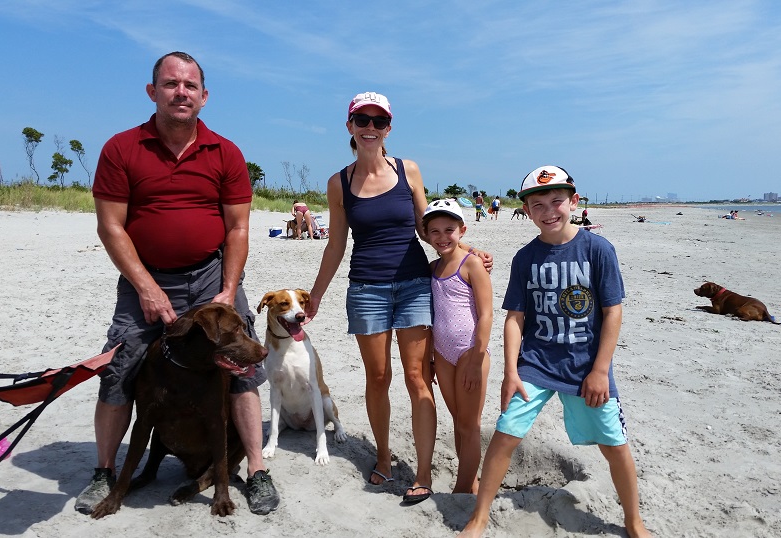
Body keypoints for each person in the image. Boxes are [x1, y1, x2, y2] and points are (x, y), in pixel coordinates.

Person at [75, 51, 279, 516]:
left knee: (243, 369)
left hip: (212, 273)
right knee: (120, 367)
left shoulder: (225, 151)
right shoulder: (122, 148)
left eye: (190, 85)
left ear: (204, 97)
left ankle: (256, 469)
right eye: (170, 84)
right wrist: (146, 287)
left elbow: (238, 229)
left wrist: (228, 290)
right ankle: (104, 470)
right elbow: (111, 227)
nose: (180, 92)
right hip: (144, 275)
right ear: (153, 92)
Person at [305, 92, 491, 504]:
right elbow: (335, 244)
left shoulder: (408, 170)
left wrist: (467, 252)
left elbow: (429, 227)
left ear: (388, 128)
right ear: (350, 126)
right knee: (378, 378)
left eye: (378, 121)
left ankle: (422, 472)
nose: (370, 128)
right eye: (362, 120)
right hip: (366, 289)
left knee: (415, 376)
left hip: (411, 284)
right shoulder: (340, 182)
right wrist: (316, 296)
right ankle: (385, 457)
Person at [459, 165, 651, 538]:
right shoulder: (525, 258)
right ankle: (479, 517)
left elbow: (613, 311)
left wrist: (600, 370)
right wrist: (511, 371)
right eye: (538, 205)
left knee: (614, 443)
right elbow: (515, 318)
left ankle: (634, 521)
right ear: (527, 210)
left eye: (556, 202)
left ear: (573, 202)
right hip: (536, 363)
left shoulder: (597, 249)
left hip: (585, 367)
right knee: (505, 433)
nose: (549, 211)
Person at [422, 199, 491, 494]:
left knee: (470, 425)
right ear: (426, 235)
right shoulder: (432, 267)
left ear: (462, 230)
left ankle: (462, 491)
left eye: (449, 229)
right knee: (458, 421)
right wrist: (434, 359)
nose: (442, 237)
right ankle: (471, 483)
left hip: (469, 352)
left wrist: (476, 359)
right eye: (434, 231)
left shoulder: (472, 263)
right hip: (443, 354)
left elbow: (487, 314)